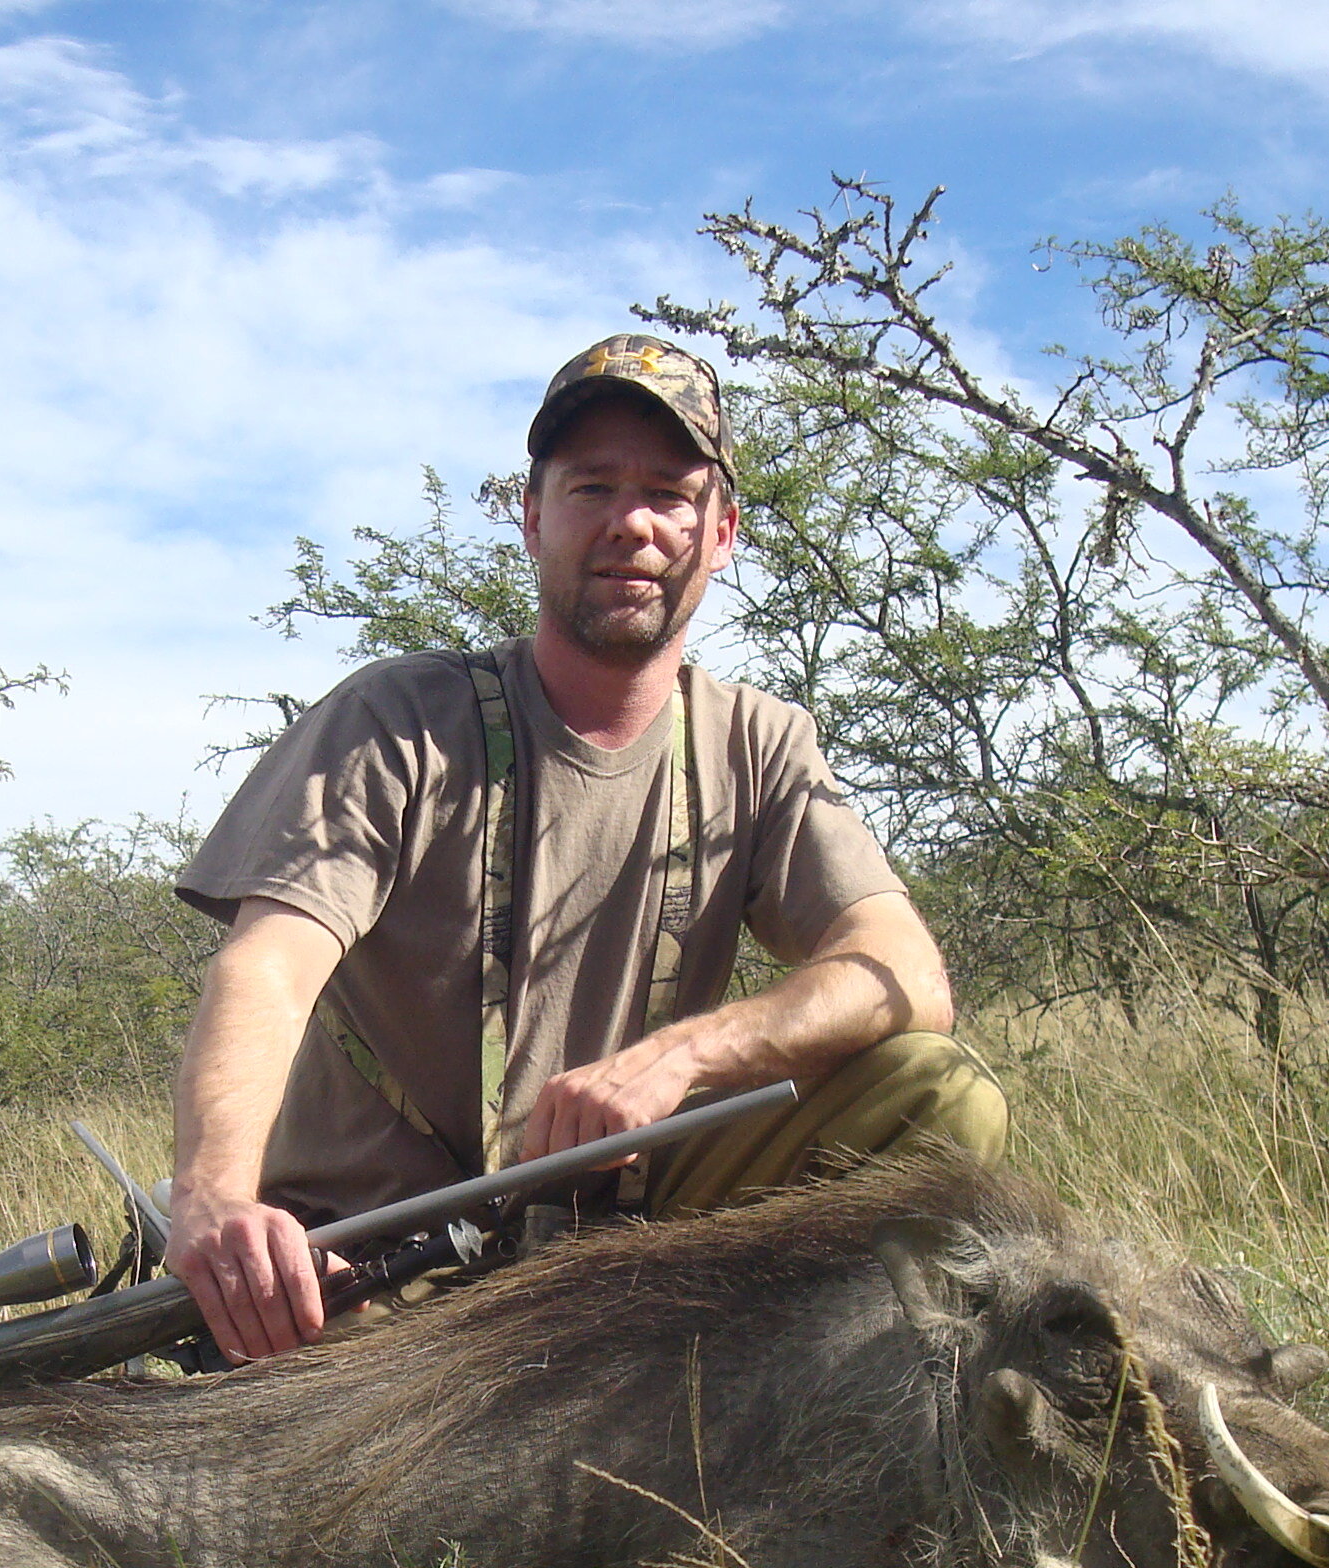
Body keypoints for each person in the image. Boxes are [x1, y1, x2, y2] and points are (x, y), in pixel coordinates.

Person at [167, 333, 1009, 1361]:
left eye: (668, 491)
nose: (631, 524)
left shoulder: (760, 740)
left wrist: (680, 1060)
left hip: (633, 1247)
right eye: (591, 488)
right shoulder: (396, 718)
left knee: (938, 1090)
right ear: (532, 520)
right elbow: (268, 968)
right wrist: (215, 1206)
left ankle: (783, 1393)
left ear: (722, 531)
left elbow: (906, 972)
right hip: (376, 1259)